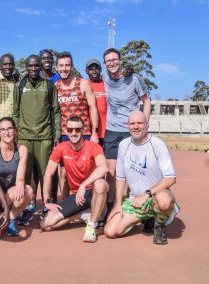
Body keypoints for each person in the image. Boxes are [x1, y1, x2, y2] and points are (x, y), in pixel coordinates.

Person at [104, 111, 179, 245]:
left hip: (155, 197)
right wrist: (117, 205)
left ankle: (159, 223)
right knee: (110, 232)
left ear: (147, 124)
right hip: (135, 201)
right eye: (132, 123)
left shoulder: (157, 144)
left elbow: (170, 178)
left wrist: (146, 194)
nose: (136, 126)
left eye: (139, 123)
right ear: (128, 126)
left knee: (164, 200)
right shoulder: (123, 145)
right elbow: (120, 178)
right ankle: (146, 218)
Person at [40, 116, 108, 242]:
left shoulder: (93, 147)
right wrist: (47, 201)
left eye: (77, 129)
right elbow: (48, 174)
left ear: (83, 130)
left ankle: (92, 225)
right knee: (46, 224)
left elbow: (104, 168)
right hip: (78, 197)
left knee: (101, 184)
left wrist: (83, 185)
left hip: (93, 193)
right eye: (70, 130)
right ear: (66, 131)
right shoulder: (61, 147)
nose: (74, 133)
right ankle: (84, 215)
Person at [102, 48, 151, 219]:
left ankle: (138, 208)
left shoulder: (134, 78)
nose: (112, 63)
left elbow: (146, 101)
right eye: (108, 61)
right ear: (105, 64)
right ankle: (110, 209)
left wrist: (144, 123)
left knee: (135, 171)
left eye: (114, 59)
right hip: (112, 130)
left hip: (132, 130)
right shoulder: (105, 77)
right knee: (111, 172)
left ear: (121, 60)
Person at [13, 54, 61, 225]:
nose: (33, 69)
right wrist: (17, 134)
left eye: (36, 66)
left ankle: (49, 207)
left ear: (41, 67)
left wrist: (56, 135)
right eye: (30, 66)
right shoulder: (19, 86)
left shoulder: (48, 85)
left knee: (47, 175)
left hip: (45, 138)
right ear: (26, 67)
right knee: (25, 177)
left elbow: (55, 111)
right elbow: (16, 112)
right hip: (24, 138)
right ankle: (25, 209)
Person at [55, 52, 99, 201]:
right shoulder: (55, 86)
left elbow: (93, 107)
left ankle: (91, 204)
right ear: (57, 67)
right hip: (65, 134)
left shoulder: (83, 83)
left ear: (72, 66)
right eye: (61, 65)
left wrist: (94, 132)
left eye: (67, 65)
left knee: (87, 170)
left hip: (84, 132)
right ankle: (65, 204)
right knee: (63, 174)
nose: (64, 68)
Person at [0, 117, 33, 236]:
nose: (7, 132)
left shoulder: (22, 149)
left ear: (15, 131)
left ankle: (10, 219)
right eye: (3, 129)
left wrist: (20, 184)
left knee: (29, 190)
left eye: (10, 128)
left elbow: (20, 178)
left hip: (10, 195)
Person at [0, 54, 18, 141]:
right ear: (0, 66)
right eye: (5, 64)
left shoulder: (16, 83)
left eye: (10, 64)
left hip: (11, 132)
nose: (8, 67)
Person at [85, 58, 107, 146]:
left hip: (106, 132)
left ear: (100, 70)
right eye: (91, 69)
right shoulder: (84, 84)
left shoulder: (106, 84)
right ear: (86, 71)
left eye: (96, 68)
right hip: (89, 132)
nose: (94, 71)